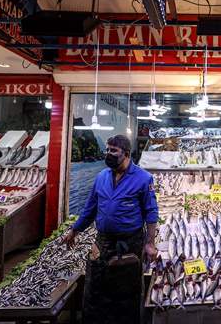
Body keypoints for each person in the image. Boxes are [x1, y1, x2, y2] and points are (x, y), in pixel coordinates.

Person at [62, 135, 158, 324]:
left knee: (127, 291)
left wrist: (150, 243)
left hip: (130, 243)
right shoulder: (101, 176)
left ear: (127, 153)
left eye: (113, 151)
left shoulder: (143, 178)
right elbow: (90, 208)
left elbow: (151, 213)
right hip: (103, 241)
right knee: (95, 287)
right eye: (107, 150)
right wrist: (75, 230)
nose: (108, 154)